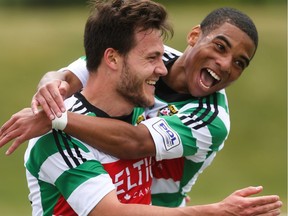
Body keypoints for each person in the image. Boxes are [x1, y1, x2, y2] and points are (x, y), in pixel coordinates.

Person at [0, 4, 283, 216]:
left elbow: (135, 142)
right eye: (220, 47)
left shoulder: (209, 119)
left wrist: (57, 118)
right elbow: (76, 73)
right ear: (195, 36)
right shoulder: (137, 77)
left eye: (239, 63)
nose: (225, 65)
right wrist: (49, 92)